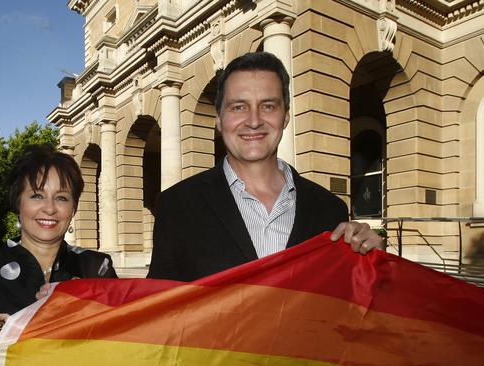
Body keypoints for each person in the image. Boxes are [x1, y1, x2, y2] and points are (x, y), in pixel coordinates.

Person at [147, 52, 383, 281]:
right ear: (219, 120)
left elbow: (348, 306)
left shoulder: (330, 210)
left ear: (285, 117)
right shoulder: (177, 206)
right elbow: (159, 308)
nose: (254, 121)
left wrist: (374, 262)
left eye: (268, 106)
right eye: (238, 107)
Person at [0, 144, 117, 365]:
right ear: (18, 203)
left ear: (73, 208)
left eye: (62, 198)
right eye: (36, 196)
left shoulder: (98, 269)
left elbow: (123, 344)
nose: (50, 208)